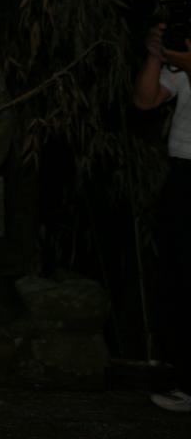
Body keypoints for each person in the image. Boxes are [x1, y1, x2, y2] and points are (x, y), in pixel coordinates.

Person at [132, 21, 191, 412]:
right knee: (179, 278)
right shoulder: (182, 67)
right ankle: (187, 384)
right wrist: (156, 56)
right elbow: (145, 100)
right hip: (184, 173)